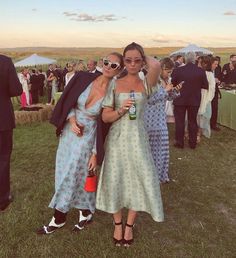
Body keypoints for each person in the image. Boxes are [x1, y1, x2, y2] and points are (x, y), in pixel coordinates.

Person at [36, 52, 124, 235]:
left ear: (119, 70)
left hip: (89, 135)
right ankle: (86, 212)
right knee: (67, 172)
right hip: (70, 131)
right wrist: (71, 119)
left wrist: (95, 152)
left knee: (71, 173)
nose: (108, 66)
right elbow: (67, 101)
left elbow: (106, 125)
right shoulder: (83, 77)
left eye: (114, 65)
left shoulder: (114, 93)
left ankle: (58, 218)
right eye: (106, 62)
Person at [96, 42, 164, 247]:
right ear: (123, 62)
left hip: (138, 139)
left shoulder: (147, 84)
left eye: (137, 60)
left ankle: (129, 226)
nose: (132, 64)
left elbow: (157, 65)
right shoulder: (115, 84)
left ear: (142, 61)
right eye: (128, 60)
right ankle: (118, 223)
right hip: (117, 140)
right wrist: (120, 111)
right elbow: (105, 117)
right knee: (115, 178)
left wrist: (143, 57)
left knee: (138, 178)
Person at [143, 58, 181, 183]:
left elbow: (168, 98)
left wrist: (175, 90)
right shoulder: (150, 81)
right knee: (151, 149)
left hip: (160, 119)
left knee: (163, 149)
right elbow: (150, 99)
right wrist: (166, 90)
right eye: (168, 71)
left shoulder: (166, 81)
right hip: (150, 119)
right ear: (161, 69)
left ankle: (161, 175)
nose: (169, 74)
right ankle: (149, 175)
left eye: (171, 72)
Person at [171, 52, 208, 149]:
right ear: (194, 59)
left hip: (180, 99)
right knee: (192, 121)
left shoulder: (177, 70)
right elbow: (205, 85)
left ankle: (179, 142)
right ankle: (192, 143)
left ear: (185, 59)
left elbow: (173, 84)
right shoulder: (200, 71)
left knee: (180, 121)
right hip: (194, 100)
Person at [0, 54, 22, 211]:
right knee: (2, 159)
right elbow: (16, 90)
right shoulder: (5, 62)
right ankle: (2, 199)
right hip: (2, 119)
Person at [197, 56, 216, 140]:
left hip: (206, 97)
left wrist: (208, 99)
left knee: (205, 115)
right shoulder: (198, 72)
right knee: (196, 115)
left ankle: (199, 132)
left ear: (205, 64)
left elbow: (212, 88)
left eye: (200, 63)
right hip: (197, 96)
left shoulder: (210, 74)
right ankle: (195, 131)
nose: (198, 64)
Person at [210, 56, 222, 131]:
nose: (216, 66)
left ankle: (213, 125)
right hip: (207, 92)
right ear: (211, 64)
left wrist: (218, 81)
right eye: (215, 64)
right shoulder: (206, 71)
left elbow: (219, 77)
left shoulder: (218, 69)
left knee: (215, 108)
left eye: (217, 64)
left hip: (215, 91)